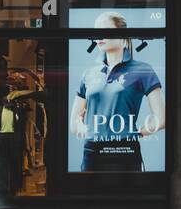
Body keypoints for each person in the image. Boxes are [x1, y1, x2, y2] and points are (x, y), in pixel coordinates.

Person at [70, 12, 165, 172]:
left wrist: (135, 133)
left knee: (127, 196)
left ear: (123, 33)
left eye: (105, 29)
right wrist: (83, 128)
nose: (99, 35)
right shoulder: (88, 73)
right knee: (89, 196)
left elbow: (161, 118)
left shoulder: (143, 70)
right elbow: (74, 124)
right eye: (96, 30)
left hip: (125, 151)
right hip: (92, 152)